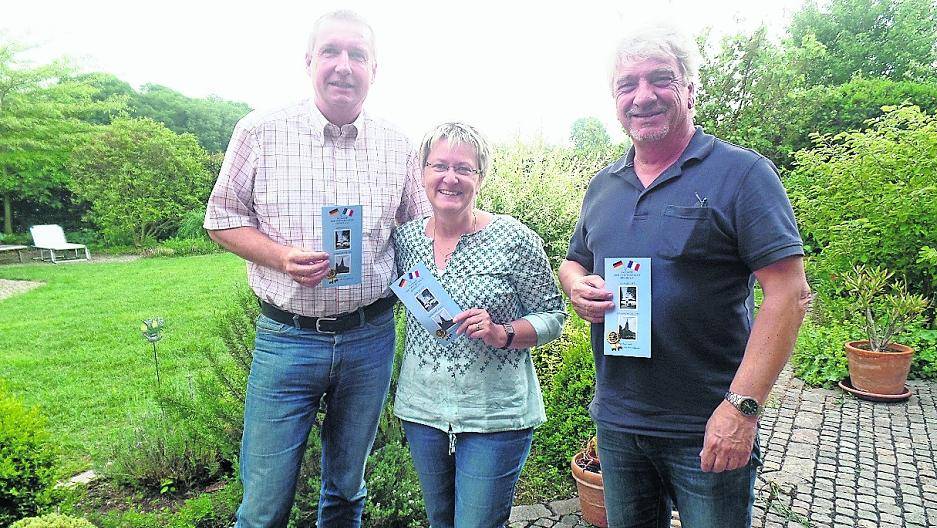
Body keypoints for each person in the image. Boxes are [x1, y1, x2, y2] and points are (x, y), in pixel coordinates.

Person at [558, 25, 812, 528]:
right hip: (618, 422)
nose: (642, 95)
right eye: (627, 85)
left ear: (691, 90)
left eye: (660, 79)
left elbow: (789, 293)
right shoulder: (603, 186)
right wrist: (575, 287)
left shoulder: (743, 174)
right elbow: (575, 260)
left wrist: (741, 410)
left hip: (708, 422)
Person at [203, 10, 429, 528]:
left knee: (347, 493)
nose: (344, 66)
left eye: (357, 55)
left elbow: (419, 234)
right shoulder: (260, 131)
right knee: (263, 505)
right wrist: (280, 258)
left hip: (370, 337)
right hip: (287, 338)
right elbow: (221, 220)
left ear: (376, 68)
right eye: (331, 52)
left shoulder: (398, 145)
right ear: (309, 62)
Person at [393, 122, 567, 527]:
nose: (449, 178)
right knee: (440, 520)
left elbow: (554, 316)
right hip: (423, 412)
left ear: (480, 177)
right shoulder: (404, 241)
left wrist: (502, 332)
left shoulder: (514, 239)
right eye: (439, 165)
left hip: (496, 416)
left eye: (463, 168)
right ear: (422, 173)